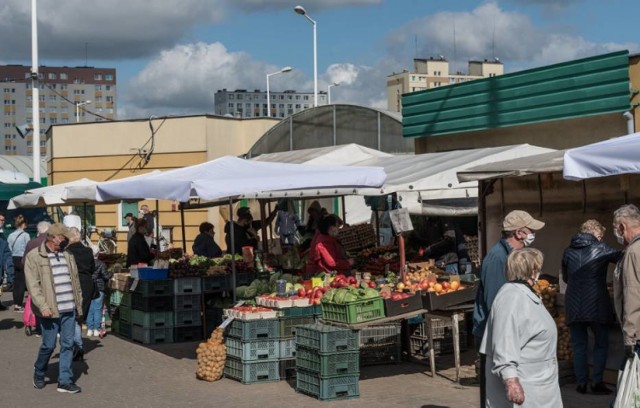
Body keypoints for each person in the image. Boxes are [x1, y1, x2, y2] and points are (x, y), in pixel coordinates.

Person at [472, 210, 545, 408]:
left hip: (502, 335)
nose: (533, 234)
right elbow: (498, 304)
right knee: (496, 393)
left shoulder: (510, 255)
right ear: (519, 233)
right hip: (495, 334)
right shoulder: (498, 259)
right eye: (530, 230)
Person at [481, 248, 562, 407]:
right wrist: (511, 381)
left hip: (539, 382)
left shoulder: (525, 293)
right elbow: (505, 340)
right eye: (538, 267)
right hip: (527, 386)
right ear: (532, 271)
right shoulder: (511, 297)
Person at [562, 219, 622, 395]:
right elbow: (625, 257)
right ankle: (596, 382)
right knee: (601, 344)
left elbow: (566, 278)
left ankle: (581, 383)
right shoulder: (602, 248)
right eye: (600, 235)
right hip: (596, 303)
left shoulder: (568, 251)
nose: (601, 238)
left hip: (573, 303)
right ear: (596, 233)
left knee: (579, 345)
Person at [25, 223, 83, 394]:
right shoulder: (34, 256)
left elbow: (75, 281)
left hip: (69, 308)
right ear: (52, 237)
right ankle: (39, 371)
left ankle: (64, 381)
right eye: (63, 237)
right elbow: (33, 286)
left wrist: (78, 303)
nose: (65, 240)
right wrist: (43, 306)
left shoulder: (68, 255)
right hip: (49, 310)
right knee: (48, 345)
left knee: (67, 344)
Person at [612, 205, 640, 369]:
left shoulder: (633, 252)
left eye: (616, 228)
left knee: (630, 385)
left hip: (637, 332)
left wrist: (629, 336)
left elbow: (633, 294)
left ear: (623, 227)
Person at [65, 227, 96, 361]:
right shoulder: (88, 251)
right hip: (87, 285)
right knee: (80, 316)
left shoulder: (67, 252)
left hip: (73, 284)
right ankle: (78, 346)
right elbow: (93, 268)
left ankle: (77, 346)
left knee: (73, 316)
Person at [86, 248, 111, 337]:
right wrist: (111, 274)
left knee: (89, 309)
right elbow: (106, 276)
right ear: (98, 254)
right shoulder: (101, 263)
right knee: (97, 309)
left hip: (89, 288)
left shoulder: (86, 263)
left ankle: (89, 329)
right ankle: (96, 329)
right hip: (100, 288)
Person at [8, 215, 31, 312]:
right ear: (23, 224)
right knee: (22, 282)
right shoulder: (26, 235)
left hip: (13, 258)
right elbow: (28, 248)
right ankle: (19, 304)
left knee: (16, 281)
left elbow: (8, 249)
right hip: (22, 258)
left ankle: (15, 302)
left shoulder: (10, 235)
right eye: (26, 223)